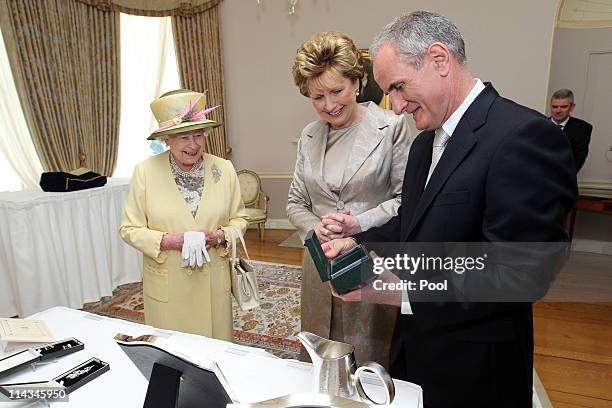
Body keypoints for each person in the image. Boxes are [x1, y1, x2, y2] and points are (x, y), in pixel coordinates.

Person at [322, 12, 577, 407]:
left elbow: (520, 271)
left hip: (477, 368)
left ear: (439, 59)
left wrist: (401, 290)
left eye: (400, 87)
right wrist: (359, 244)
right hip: (418, 352)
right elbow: (413, 223)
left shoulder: (523, 136)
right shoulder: (425, 142)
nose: (398, 106)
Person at [287, 31, 412, 366]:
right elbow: (295, 202)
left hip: (371, 258)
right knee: (319, 347)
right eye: (317, 97)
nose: (329, 105)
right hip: (319, 261)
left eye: (336, 91)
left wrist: (357, 224)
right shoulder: (309, 136)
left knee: (368, 350)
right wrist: (318, 228)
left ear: (357, 82)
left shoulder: (393, 127)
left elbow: (405, 201)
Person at [120, 89, 247, 341]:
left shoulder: (224, 168)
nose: (193, 145)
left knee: (214, 359)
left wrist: (219, 236)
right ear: (167, 139)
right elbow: (129, 229)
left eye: (198, 135)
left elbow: (240, 220)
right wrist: (169, 242)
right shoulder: (145, 172)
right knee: (171, 356)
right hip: (169, 288)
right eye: (183, 137)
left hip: (213, 285)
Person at [550, 88, 592, 171]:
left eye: (563, 107)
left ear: (572, 107)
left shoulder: (583, 128)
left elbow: (579, 158)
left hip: (565, 178)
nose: (558, 110)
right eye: (554, 107)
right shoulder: (539, 125)